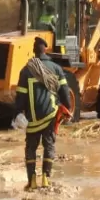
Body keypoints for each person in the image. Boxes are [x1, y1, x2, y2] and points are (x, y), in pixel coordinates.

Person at [15, 37, 71, 190]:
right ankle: (46, 177)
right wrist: (68, 108)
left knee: (31, 148)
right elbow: (65, 93)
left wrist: (17, 114)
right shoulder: (56, 68)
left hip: (32, 119)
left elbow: (20, 97)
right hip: (50, 115)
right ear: (45, 50)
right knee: (49, 145)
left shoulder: (26, 70)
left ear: (34, 51)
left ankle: (32, 180)